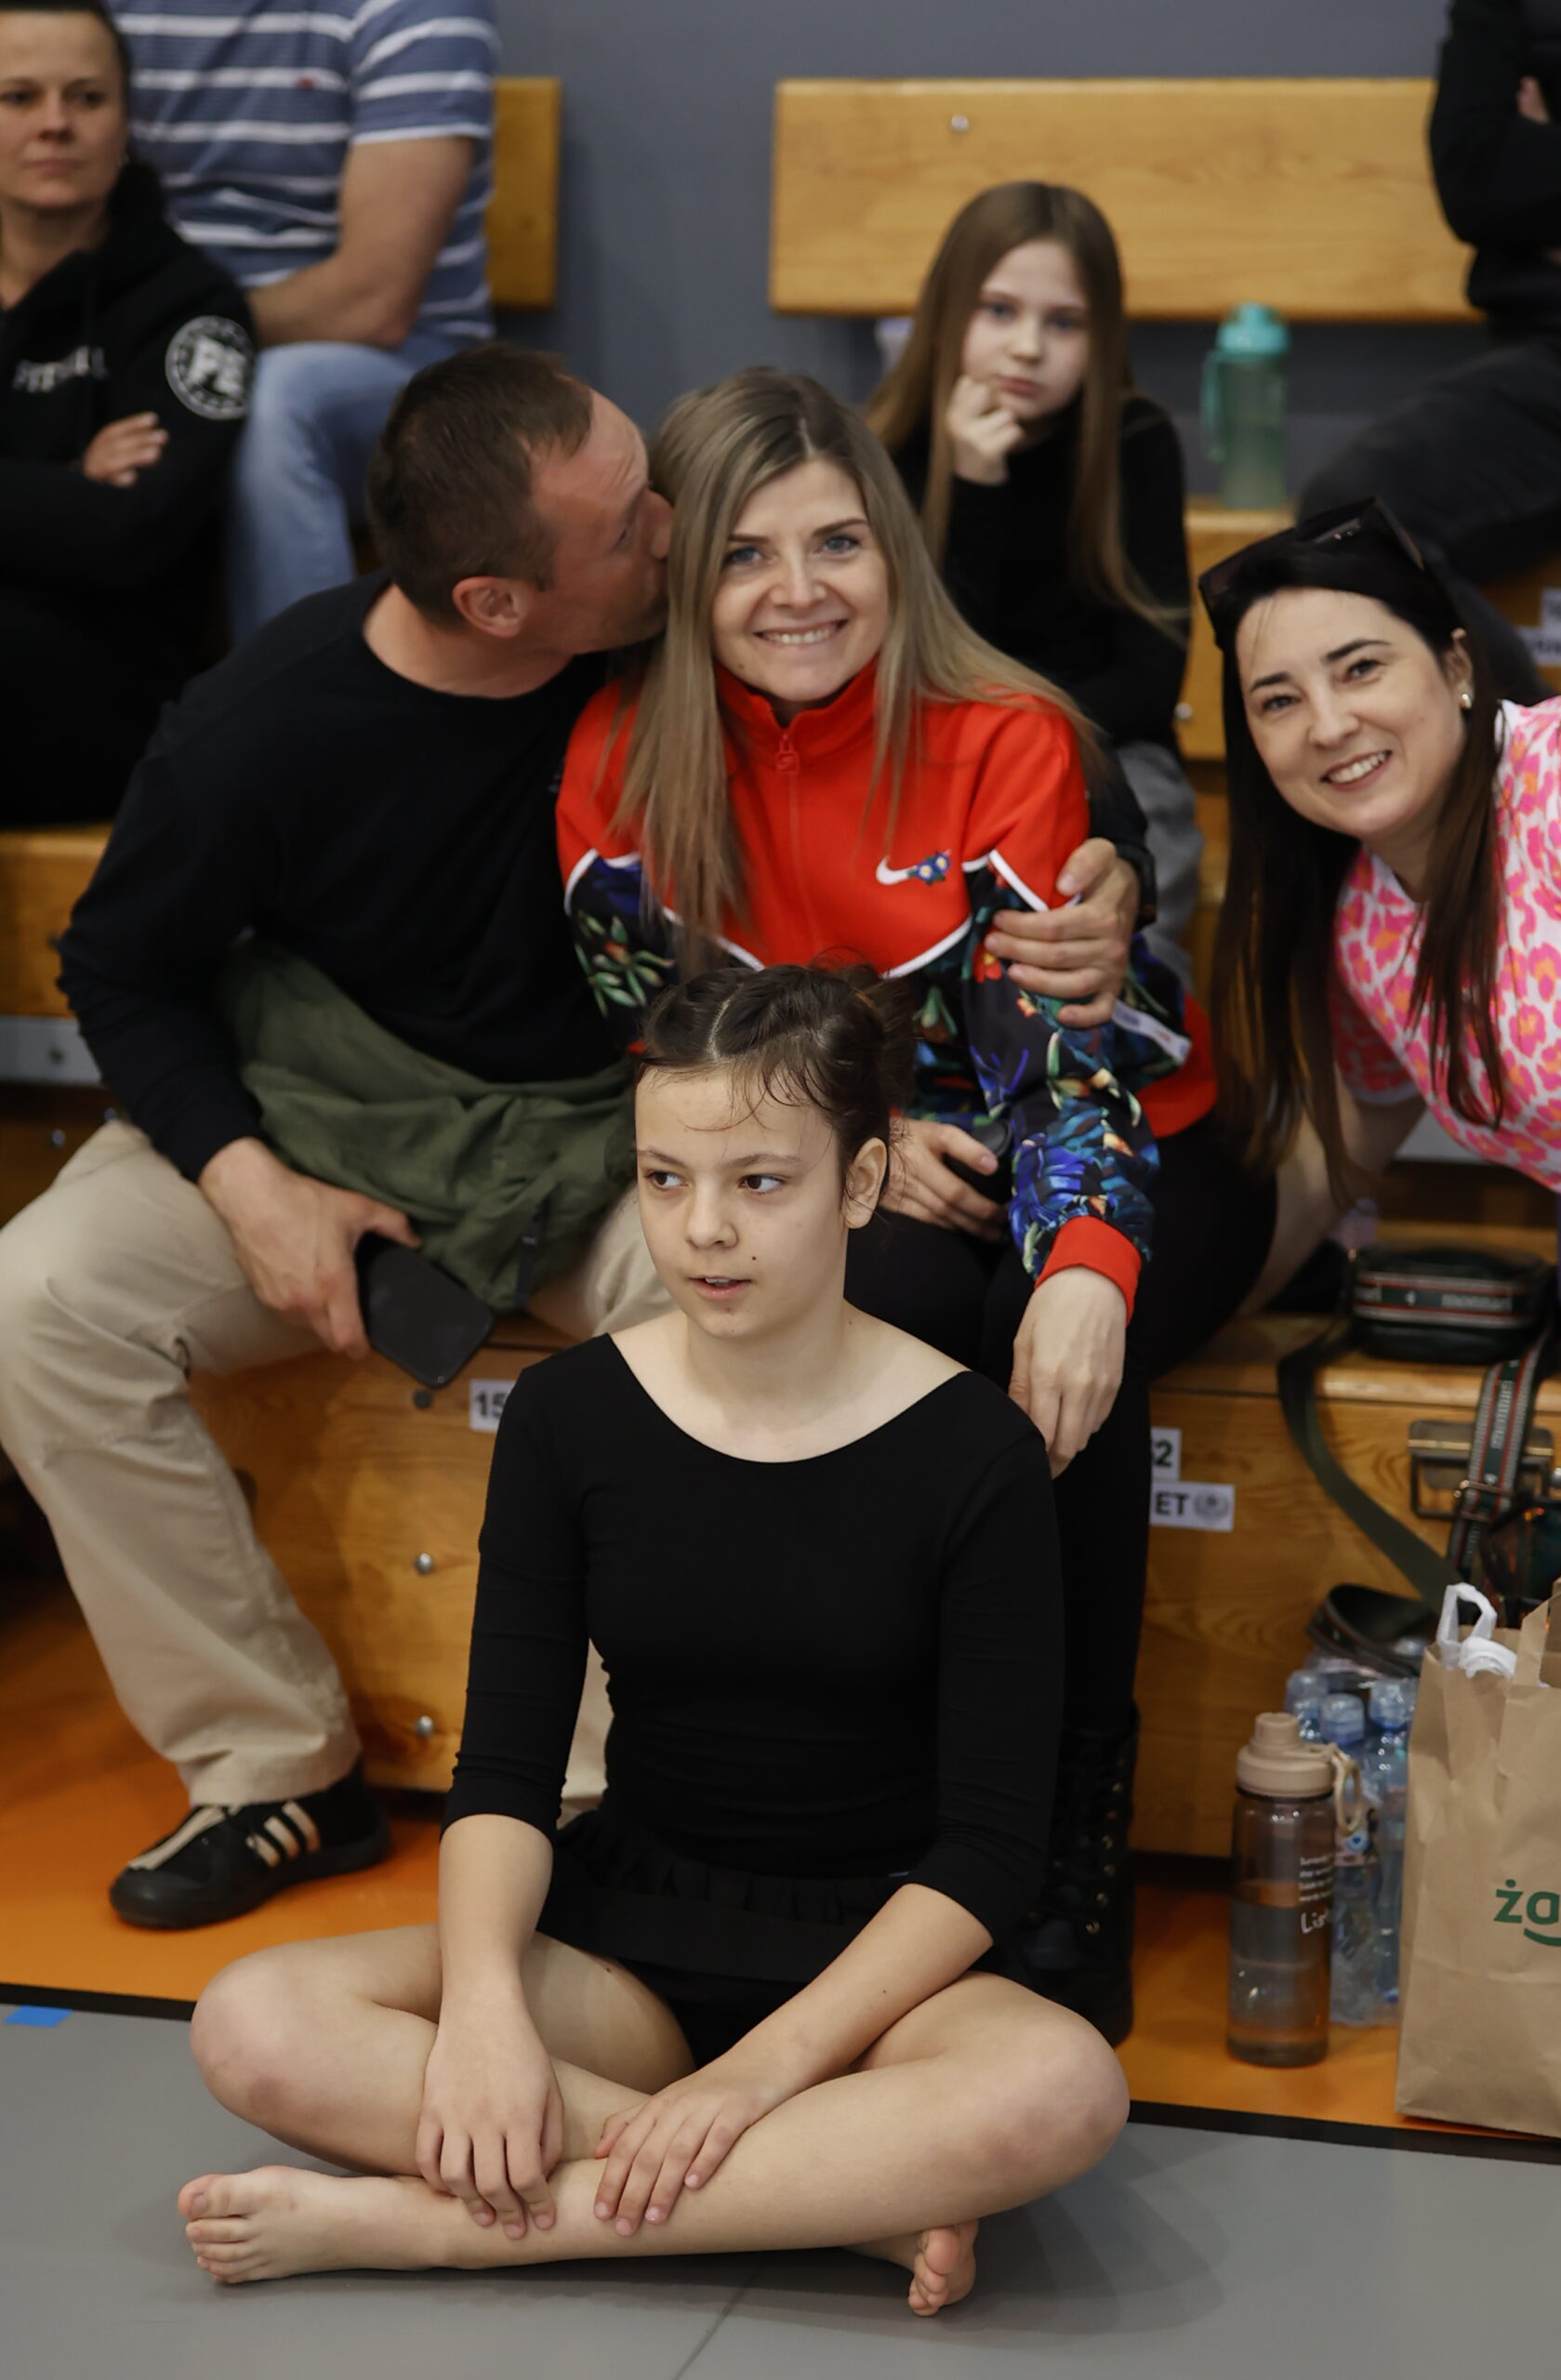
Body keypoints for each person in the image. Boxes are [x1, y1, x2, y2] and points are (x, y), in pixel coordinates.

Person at [175, 961, 1130, 2304]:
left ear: (859, 1184)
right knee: (255, 2023)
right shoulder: (568, 1417)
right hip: (628, 1936)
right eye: (665, 1179)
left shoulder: (976, 1448)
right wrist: (487, 2017)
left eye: (760, 1182)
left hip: (880, 1972)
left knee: (1061, 2090)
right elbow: (504, 1772)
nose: (704, 1230)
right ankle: (832, 2204)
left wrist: (758, 2075)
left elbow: (988, 1852)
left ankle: (442, 2227)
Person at [556, 367, 1277, 2043]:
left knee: (1053, 1350)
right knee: (887, 1301)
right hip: (888, 1158)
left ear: (891, 550)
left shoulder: (1005, 736)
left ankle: (1065, 1832)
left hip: (1128, 1143)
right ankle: (887, 1818)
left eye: (835, 543)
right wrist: (875, 1123)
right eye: (745, 554)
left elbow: (1066, 1070)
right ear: (682, 576)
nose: (797, 591)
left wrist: (1085, 1265)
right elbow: (658, 1034)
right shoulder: (618, 757)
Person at [0, 345, 676, 1931]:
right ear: (496, 601)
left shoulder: (677, 634)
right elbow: (121, 970)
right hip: (338, 1121)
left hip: (606, 1140)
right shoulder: (258, 726)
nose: (672, 527)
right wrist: (254, 1189)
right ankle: (273, 1764)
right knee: (37, 1303)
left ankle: (597, 1813)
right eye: (629, 522)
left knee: (724, 1292)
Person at [1198, 498, 1561, 1347]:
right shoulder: (1362, 927)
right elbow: (1360, 1124)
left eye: (1361, 668)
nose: (1329, 725)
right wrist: (1187, 1317)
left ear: (1455, 665)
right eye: (1278, 701)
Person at [869, 180, 1202, 984]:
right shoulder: (888, 449)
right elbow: (928, 668)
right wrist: (974, 490)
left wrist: (1026, 739)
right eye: (998, 311)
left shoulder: (1135, 442)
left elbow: (1150, 682)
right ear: (948, 310)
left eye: (1063, 323)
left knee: (1133, 902)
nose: (1026, 347)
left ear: (1101, 334)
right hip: (936, 753)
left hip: (1104, 750)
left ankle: (1145, 1037)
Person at [112, 0, 497, 637]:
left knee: (271, 402)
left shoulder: (409, 11)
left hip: (400, 371)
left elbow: (373, 303)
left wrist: (159, 339)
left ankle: (298, 693)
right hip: (157, 338)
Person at [0, 0, 252, 823]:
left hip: (105, 686)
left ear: (126, 121)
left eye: (86, 97)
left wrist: (57, 498)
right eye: (17, 97)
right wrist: (65, 483)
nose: (54, 123)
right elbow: (84, 518)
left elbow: (130, 535)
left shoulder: (191, 305)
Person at [1299, 0, 1561, 705]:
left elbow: (1510, 178)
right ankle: (1541, 756)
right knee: (1352, 518)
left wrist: (1547, 160)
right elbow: (1478, 179)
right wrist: (1517, 173)